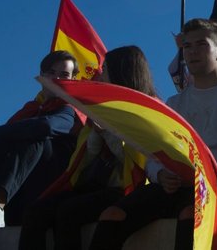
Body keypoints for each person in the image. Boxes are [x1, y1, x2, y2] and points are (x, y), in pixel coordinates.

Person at [89, 19, 217, 250]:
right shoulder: (175, 103)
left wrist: (201, 173)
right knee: (112, 215)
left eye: (201, 44)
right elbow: (154, 156)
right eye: (187, 46)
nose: (192, 52)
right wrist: (160, 174)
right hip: (176, 184)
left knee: (191, 215)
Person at [19, 46, 158, 250]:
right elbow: (84, 160)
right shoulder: (99, 106)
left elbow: (139, 162)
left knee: (69, 211)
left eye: (105, 70)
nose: (99, 75)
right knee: (36, 211)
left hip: (124, 189)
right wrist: (96, 132)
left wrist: (107, 134)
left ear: (121, 73)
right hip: (93, 185)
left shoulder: (147, 110)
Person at [0, 51, 82, 228]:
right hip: (21, 175)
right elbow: (3, 136)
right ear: (42, 76)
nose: (56, 78)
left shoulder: (72, 109)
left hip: (54, 178)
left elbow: (46, 127)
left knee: (33, 136)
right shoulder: (31, 107)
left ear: (73, 79)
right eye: (51, 72)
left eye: (64, 74)